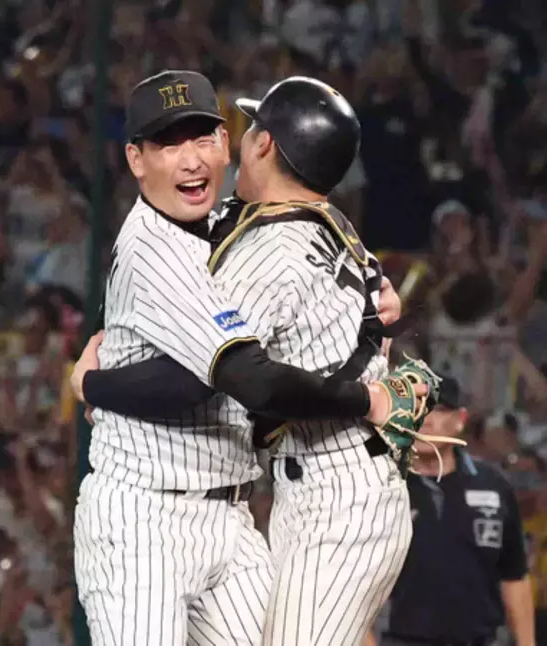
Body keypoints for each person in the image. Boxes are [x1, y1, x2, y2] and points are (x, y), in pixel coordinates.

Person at [72, 73, 443, 646]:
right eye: (168, 143)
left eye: (203, 137)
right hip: (146, 516)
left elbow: (226, 378)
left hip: (273, 505)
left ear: (242, 142)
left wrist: (93, 385)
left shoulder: (245, 225)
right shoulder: (274, 225)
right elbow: (215, 377)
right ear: (136, 159)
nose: (191, 158)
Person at [366, 376, 536, 646]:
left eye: (438, 410)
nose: (426, 420)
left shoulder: (494, 485)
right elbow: (352, 582)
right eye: (415, 409)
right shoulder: (381, 487)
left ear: (460, 419)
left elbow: (514, 576)